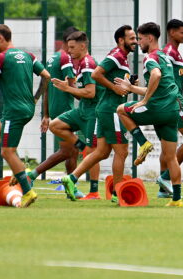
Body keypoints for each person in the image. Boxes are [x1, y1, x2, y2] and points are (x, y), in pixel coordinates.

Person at [0, 24, 50, 207]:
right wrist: (35, 98)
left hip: (13, 111)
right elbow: (47, 76)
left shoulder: (1, 57)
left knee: (6, 151)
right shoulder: (28, 56)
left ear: (1, 38)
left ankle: (28, 191)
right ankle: (21, 167)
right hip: (27, 109)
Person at [61, 25, 136, 202]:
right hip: (111, 110)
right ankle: (118, 194)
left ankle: (71, 178)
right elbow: (96, 74)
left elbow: (114, 81)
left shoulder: (122, 58)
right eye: (132, 38)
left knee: (102, 151)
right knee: (122, 152)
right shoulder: (116, 55)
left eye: (135, 38)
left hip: (104, 109)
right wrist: (115, 89)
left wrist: (129, 84)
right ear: (121, 40)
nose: (135, 42)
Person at [115, 22, 183, 207]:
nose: (138, 42)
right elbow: (156, 82)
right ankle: (177, 199)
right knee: (171, 157)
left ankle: (143, 143)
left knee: (121, 110)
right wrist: (131, 88)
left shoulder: (150, 57)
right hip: (172, 110)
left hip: (157, 108)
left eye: (140, 38)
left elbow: (156, 76)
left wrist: (144, 101)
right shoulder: (165, 57)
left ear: (150, 38)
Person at [49, 31, 103, 200]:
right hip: (82, 110)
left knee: (93, 152)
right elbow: (81, 94)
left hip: (93, 112)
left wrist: (67, 89)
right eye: (68, 47)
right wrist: (70, 87)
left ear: (83, 46)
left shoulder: (87, 63)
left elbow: (91, 92)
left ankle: (94, 192)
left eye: (72, 47)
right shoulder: (79, 63)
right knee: (55, 125)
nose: (69, 51)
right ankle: (81, 146)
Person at [26, 26, 79, 192]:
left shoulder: (52, 58)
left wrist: (46, 114)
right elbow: (72, 86)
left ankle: (71, 185)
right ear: (69, 41)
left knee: (73, 149)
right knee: (67, 150)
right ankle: (32, 175)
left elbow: (46, 86)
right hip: (65, 108)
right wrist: (88, 95)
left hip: (56, 108)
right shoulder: (65, 59)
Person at [154, 19, 183, 198]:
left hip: (172, 102)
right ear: (171, 33)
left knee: (167, 148)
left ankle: (163, 190)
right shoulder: (168, 53)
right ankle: (165, 178)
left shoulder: (174, 53)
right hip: (174, 102)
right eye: (181, 32)